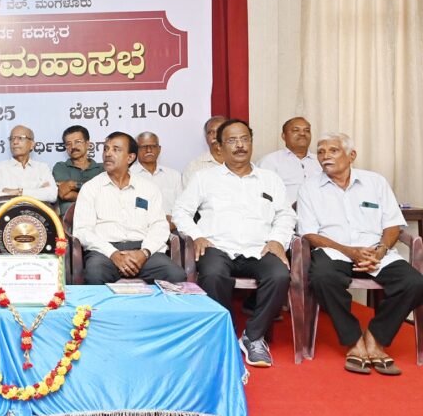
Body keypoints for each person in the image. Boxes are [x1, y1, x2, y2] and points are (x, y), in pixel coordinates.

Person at [297, 133, 423, 376]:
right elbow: (309, 234)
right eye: (321, 152)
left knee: (414, 282)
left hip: (375, 250)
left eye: (333, 150)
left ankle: (375, 338)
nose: (325, 156)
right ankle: (354, 340)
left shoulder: (375, 182)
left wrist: (381, 250)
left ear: (351, 155)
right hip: (334, 251)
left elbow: (393, 225)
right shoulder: (309, 188)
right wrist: (349, 251)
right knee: (322, 278)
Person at [173, 119, 295, 368]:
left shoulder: (270, 179)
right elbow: (181, 211)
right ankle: (224, 332)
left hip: (259, 247)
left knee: (280, 275)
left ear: (251, 142)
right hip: (217, 246)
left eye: (244, 139)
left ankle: (254, 336)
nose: (240, 145)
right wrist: (196, 235)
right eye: (232, 140)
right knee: (213, 274)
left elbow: (286, 214)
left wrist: (277, 240)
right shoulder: (204, 178)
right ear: (219, 146)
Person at [76, 132, 186, 284]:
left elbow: (159, 225)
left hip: (143, 249)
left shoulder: (148, 188)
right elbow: (82, 230)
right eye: (106, 149)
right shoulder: (91, 188)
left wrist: (144, 253)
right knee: (95, 274)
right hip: (104, 252)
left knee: (175, 275)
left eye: (116, 149)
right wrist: (113, 254)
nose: (108, 154)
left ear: (130, 157)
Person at [257, 116, 322, 206]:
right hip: (285, 212)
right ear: (284, 136)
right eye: (296, 130)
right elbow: (262, 196)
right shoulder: (269, 162)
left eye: (307, 130)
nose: (302, 133)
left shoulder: (321, 161)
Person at [0, 124, 57, 203]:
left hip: (36, 211)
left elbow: (52, 195)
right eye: (12, 138)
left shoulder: (42, 168)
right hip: (9, 211)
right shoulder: (0, 167)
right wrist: (37, 191)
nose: (15, 142)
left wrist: (19, 192)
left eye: (20, 138)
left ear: (32, 145)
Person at [134, 131, 183, 229]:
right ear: (135, 150)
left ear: (159, 149)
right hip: (140, 230)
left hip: (172, 229)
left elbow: (182, 208)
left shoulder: (174, 175)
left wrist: (174, 223)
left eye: (153, 146)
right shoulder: (128, 175)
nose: (149, 150)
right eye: (144, 147)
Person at [52, 125, 103, 217]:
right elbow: (64, 194)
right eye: (68, 144)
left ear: (87, 144)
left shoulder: (102, 168)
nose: (73, 146)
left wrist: (72, 184)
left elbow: (107, 194)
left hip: (100, 219)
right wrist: (96, 196)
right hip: (70, 221)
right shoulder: (61, 167)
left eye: (77, 142)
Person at [182, 115, 226, 188]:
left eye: (220, 131)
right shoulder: (194, 167)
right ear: (206, 137)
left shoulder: (240, 162)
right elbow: (189, 194)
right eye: (211, 132)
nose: (215, 136)